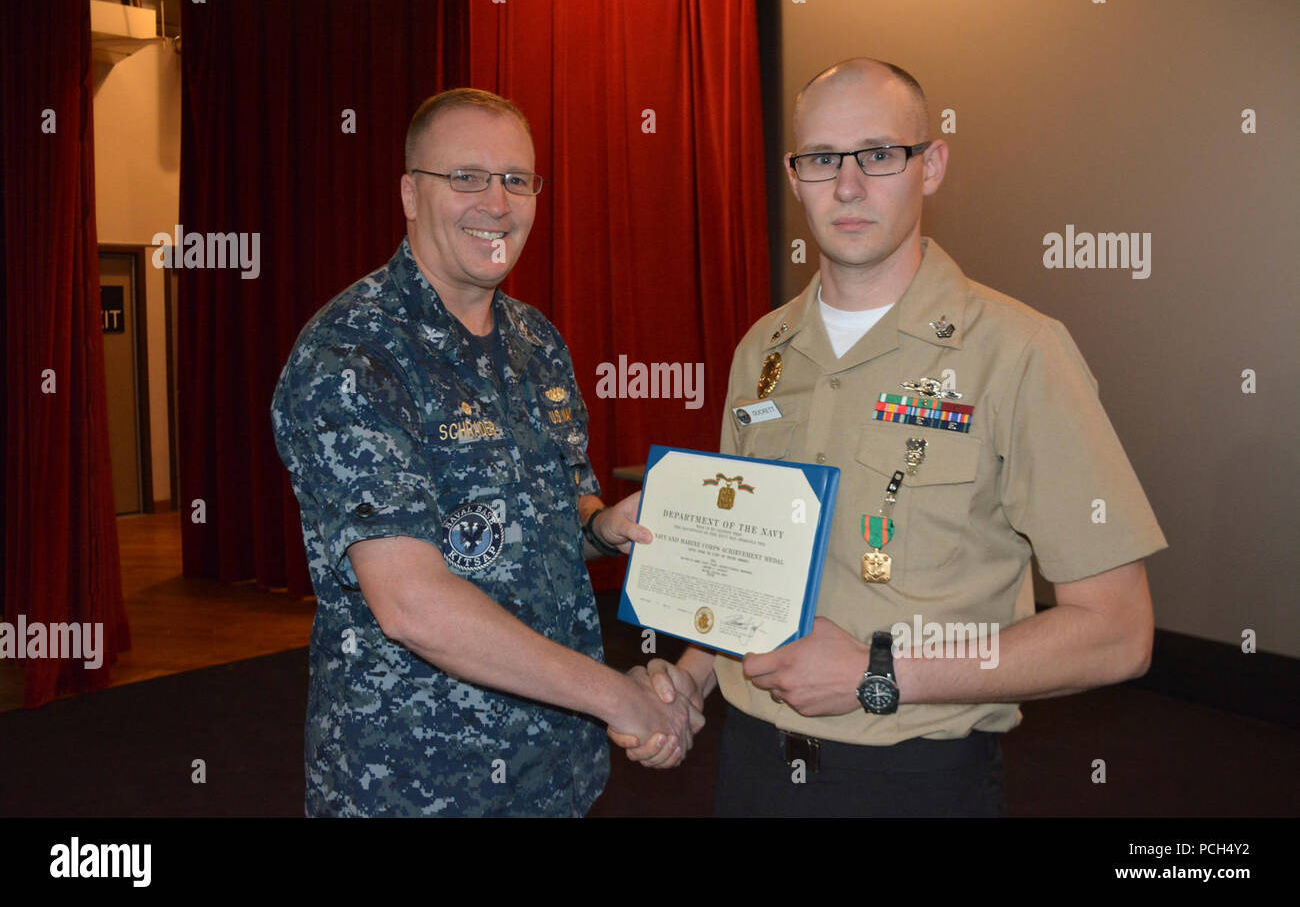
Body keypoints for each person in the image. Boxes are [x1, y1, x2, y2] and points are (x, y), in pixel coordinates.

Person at [619, 58, 1167, 816]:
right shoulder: (763, 350)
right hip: (749, 767)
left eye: (879, 155)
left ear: (931, 164)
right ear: (793, 174)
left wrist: (882, 672)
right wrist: (691, 677)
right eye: (821, 160)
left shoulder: (1018, 353)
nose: (847, 186)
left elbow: (1116, 633)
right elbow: (749, 580)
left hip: (912, 782)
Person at [270, 87, 700, 817]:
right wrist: (619, 698)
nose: (495, 203)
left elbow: (554, 508)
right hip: (417, 785)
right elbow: (412, 604)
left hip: (556, 771)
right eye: (465, 177)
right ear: (410, 193)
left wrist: (601, 525)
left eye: (516, 180)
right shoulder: (353, 354)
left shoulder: (535, 342)